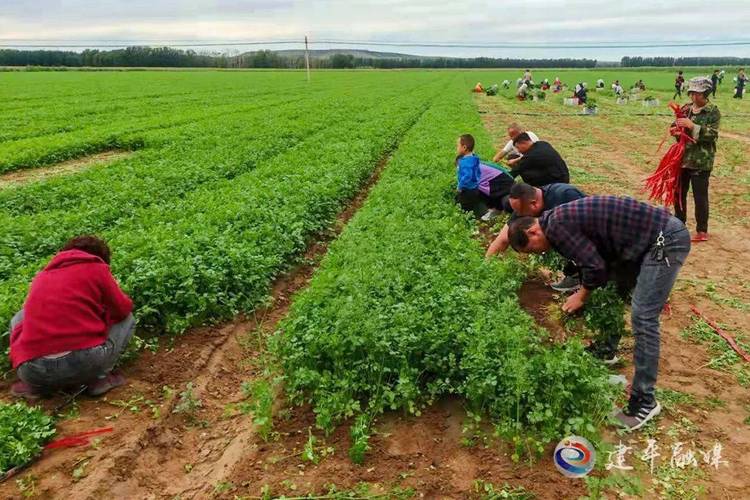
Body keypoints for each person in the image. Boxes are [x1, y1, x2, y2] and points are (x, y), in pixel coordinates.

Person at [507, 196, 691, 431]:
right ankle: (606, 350)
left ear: (533, 231)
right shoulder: (555, 221)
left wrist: (581, 296)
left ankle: (644, 403)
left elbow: (594, 267)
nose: (537, 254)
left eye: (532, 250)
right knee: (614, 289)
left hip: (664, 240)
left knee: (643, 316)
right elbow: (595, 264)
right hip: (642, 242)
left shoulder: (555, 227)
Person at [9, 235, 135, 400]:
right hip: (83, 364)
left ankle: (36, 386)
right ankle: (99, 379)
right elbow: (122, 309)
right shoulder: (97, 268)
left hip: (33, 370)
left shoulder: (42, 276)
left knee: (21, 316)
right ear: (99, 257)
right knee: (127, 319)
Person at [486, 182, 586, 292]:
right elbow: (503, 239)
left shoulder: (564, 195)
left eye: (520, 212)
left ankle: (585, 276)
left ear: (534, 204)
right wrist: (485, 269)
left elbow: (588, 231)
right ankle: (575, 274)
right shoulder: (524, 206)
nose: (519, 215)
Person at [672, 77, 721, 242]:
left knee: (700, 195)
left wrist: (692, 126)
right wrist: (676, 132)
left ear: (705, 93)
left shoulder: (713, 111)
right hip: (682, 158)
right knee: (678, 193)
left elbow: (712, 135)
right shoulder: (686, 109)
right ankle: (678, 225)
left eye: (697, 94)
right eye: (692, 93)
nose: (693, 97)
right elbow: (675, 126)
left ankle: (702, 231)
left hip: (701, 160)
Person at [455, 134, 484, 217]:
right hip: (475, 188)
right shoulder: (474, 158)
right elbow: (478, 172)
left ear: (464, 147)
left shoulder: (465, 162)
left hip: (466, 190)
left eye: (458, 146)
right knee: (472, 205)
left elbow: (467, 176)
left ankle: (468, 221)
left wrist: (460, 186)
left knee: (464, 209)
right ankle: (477, 215)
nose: (457, 148)